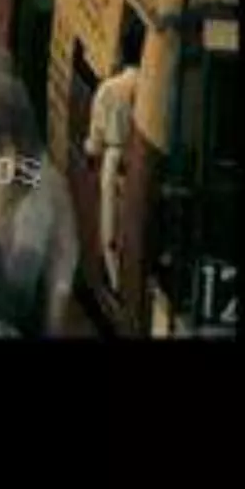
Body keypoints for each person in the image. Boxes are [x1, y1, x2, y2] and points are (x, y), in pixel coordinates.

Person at [85, 21, 145, 294]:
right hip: (141, 162)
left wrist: (92, 152)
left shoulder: (110, 88)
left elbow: (95, 135)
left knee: (111, 221)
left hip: (113, 155)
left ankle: (115, 281)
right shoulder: (151, 89)